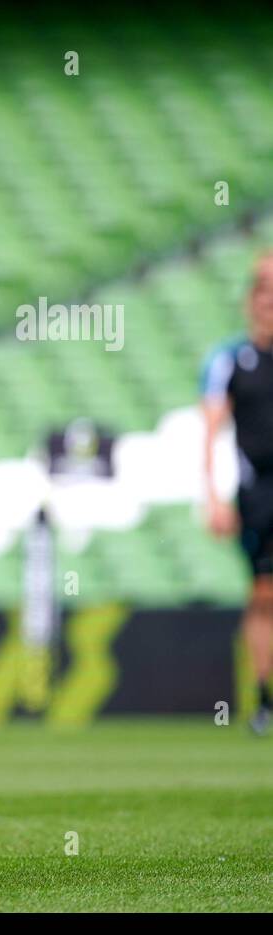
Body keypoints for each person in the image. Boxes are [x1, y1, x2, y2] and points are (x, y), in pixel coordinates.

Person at [201, 251, 273, 736]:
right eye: (263, 291)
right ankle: (265, 701)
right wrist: (214, 497)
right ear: (251, 301)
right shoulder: (230, 359)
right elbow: (210, 431)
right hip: (260, 493)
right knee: (264, 595)